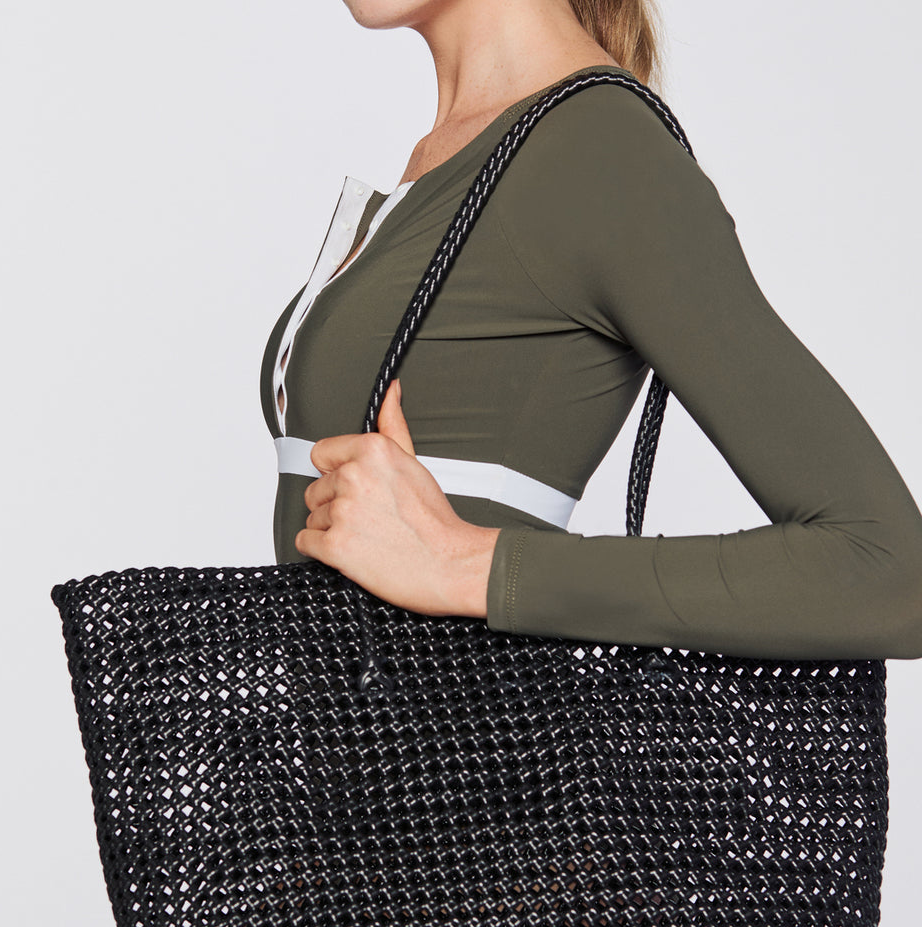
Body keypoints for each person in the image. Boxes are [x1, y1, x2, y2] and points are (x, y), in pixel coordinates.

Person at [259, 0, 922, 661]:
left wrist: (468, 565)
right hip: (355, 754)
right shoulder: (469, 150)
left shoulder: (601, 152)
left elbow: (892, 573)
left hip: (471, 755)